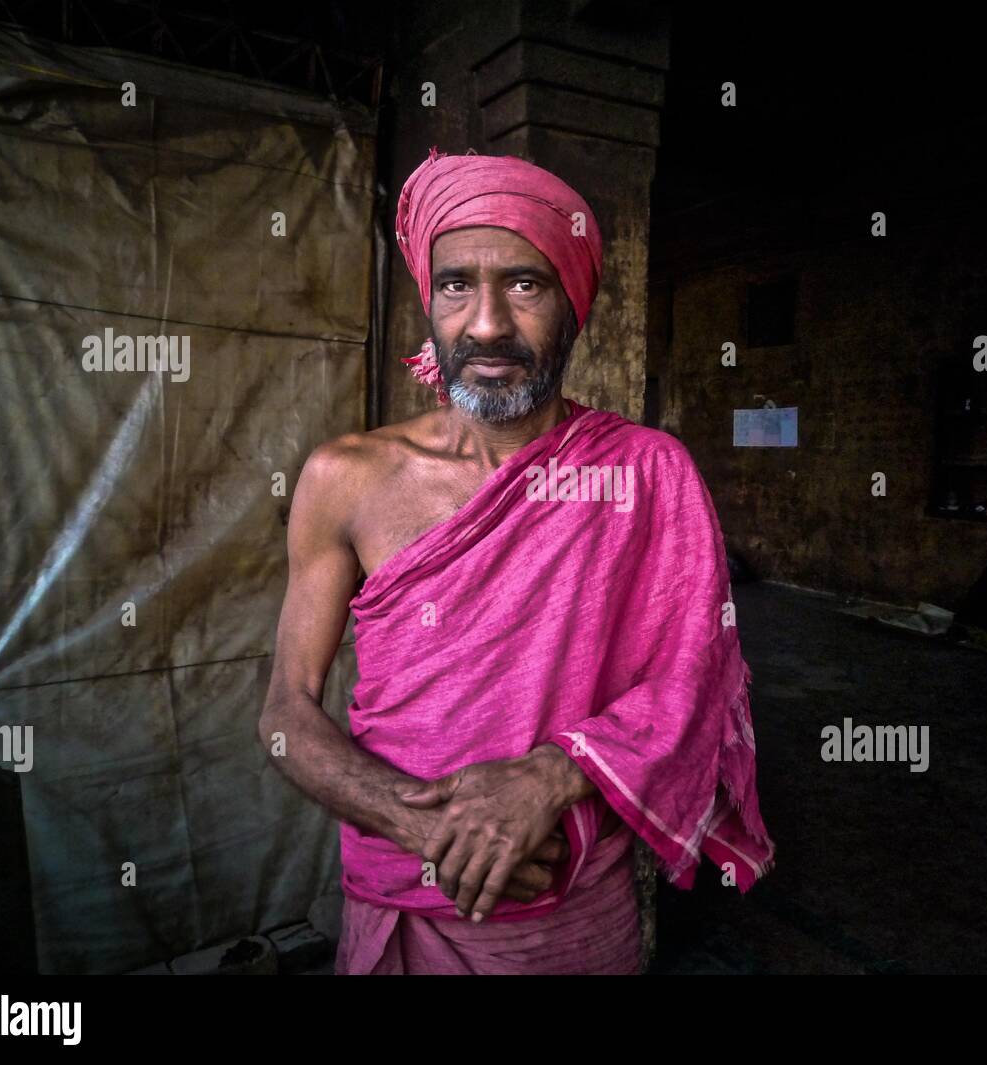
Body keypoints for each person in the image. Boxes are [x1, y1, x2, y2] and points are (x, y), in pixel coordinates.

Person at [259, 146, 775, 974]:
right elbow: (285, 714)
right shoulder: (343, 477)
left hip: (570, 916)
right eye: (458, 283)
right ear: (431, 300)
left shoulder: (645, 472)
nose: (488, 323)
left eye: (526, 285)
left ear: (573, 304)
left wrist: (551, 776)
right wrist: (420, 824)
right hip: (398, 904)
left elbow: (697, 677)